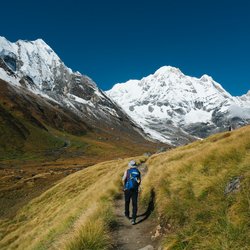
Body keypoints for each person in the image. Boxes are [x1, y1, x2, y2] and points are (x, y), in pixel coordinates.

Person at [122, 160, 141, 225]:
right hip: (135, 190)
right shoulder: (138, 172)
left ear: (130, 165)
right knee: (134, 204)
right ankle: (134, 219)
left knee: (127, 202)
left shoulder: (127, 171)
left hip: (127, 189)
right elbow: (139, 181)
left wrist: (124, 187)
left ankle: (127, 214)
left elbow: (123, 179)